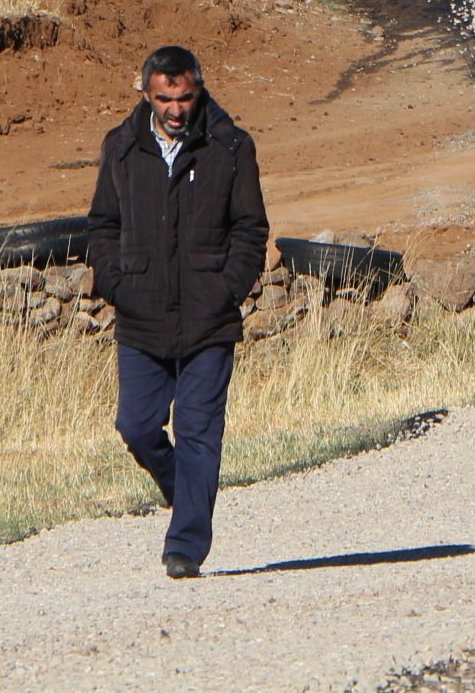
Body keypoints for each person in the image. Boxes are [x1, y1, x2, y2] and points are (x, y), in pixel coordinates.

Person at [87, 44, 270, 579]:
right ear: (145, 92)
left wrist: (227, 288)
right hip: (141, 316)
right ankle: (184, 491)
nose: (175, 108)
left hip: (209, 319)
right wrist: (116, 284)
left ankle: (185, 546)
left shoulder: (232, 147)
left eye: (185, 97)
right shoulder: (120, 147)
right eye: (165, 97)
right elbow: (102, 225)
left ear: (198, 91)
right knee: (137, 426)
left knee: (198, 433)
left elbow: (250, 228)